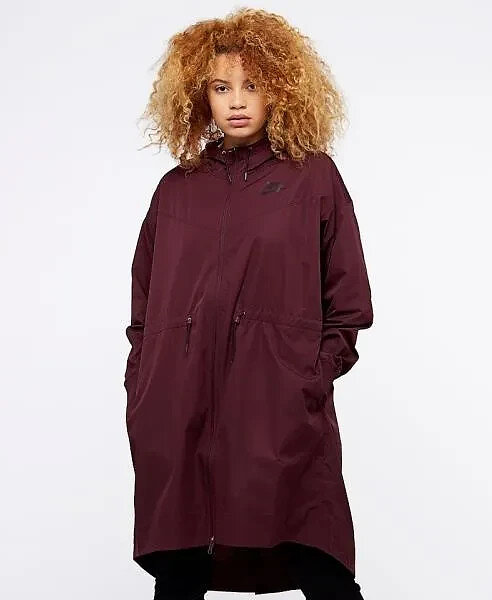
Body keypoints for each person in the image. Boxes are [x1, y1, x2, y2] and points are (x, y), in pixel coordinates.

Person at [124, 7, 374, 599]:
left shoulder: (312, 178)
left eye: (253, 84)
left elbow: (348, 300)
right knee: (180, 565)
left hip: (276, 402)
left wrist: (306, 375)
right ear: (199, 97)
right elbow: (143, 306)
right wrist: (145, 379)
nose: (236, 101)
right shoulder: (176, 189)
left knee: (315, 556)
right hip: (178, 403)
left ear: (281, 89)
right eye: (221, 87)